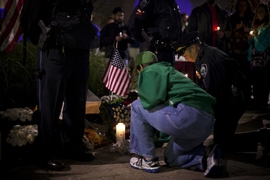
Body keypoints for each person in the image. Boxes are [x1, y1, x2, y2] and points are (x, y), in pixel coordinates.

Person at [129, 51, 225, 177]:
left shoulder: (150, 70)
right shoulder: (169, 70)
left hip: (188, 114)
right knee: (171, 158)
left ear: (141, 67)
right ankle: (207, 158)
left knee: (136, 106)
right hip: (206, 122)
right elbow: (165, 112)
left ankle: (148, 160)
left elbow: (150, 101)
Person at [34, 0, 96, 171]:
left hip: (80, 48)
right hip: (56, 48)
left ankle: (72, 146)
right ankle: (45, 153)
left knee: (77, 102)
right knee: (51, 105)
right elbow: (30, 16)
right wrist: (45, 39)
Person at [174, 31, 248, 167]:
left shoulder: (208, 59)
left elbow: (210, 90)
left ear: (194, 48)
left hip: (234, 99)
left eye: (184, 53)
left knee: (222, 142)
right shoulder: (201, 57)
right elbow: (204, 85)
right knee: (222, 139)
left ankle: (261, 139)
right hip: (227, 98)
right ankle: (257, 140)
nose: (184, 57)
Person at [127, 0, 182, 66]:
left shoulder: (171, 2)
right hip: (154, 51)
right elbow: (134, 25)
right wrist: (147, 41)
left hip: (169, 51)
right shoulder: (152, 1)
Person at [228, 0, 254, 107]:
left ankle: (248, 99)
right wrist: (235, 29)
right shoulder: (233, 19)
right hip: (235, 51)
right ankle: (236, 99)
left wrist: (248, 30)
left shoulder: (251, 18)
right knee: (236, 76)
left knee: (247, 76)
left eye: (244, 5)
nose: (242, 8)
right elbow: (228, 33)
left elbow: (254, 31)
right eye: (240, 5)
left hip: (247, 51)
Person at [248, 3, 270, 112]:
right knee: (255, 81)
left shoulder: (268, 27)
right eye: (258, 12)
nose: (259, 14)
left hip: (264, 56)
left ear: (266, 13)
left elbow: (267, 42)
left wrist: (257, 36)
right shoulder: (255, 25)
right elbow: (251, 43)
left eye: (262, 11)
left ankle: (263, 104)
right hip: (255, 56)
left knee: (264, 81)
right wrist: (250, 38)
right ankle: (256, 103)